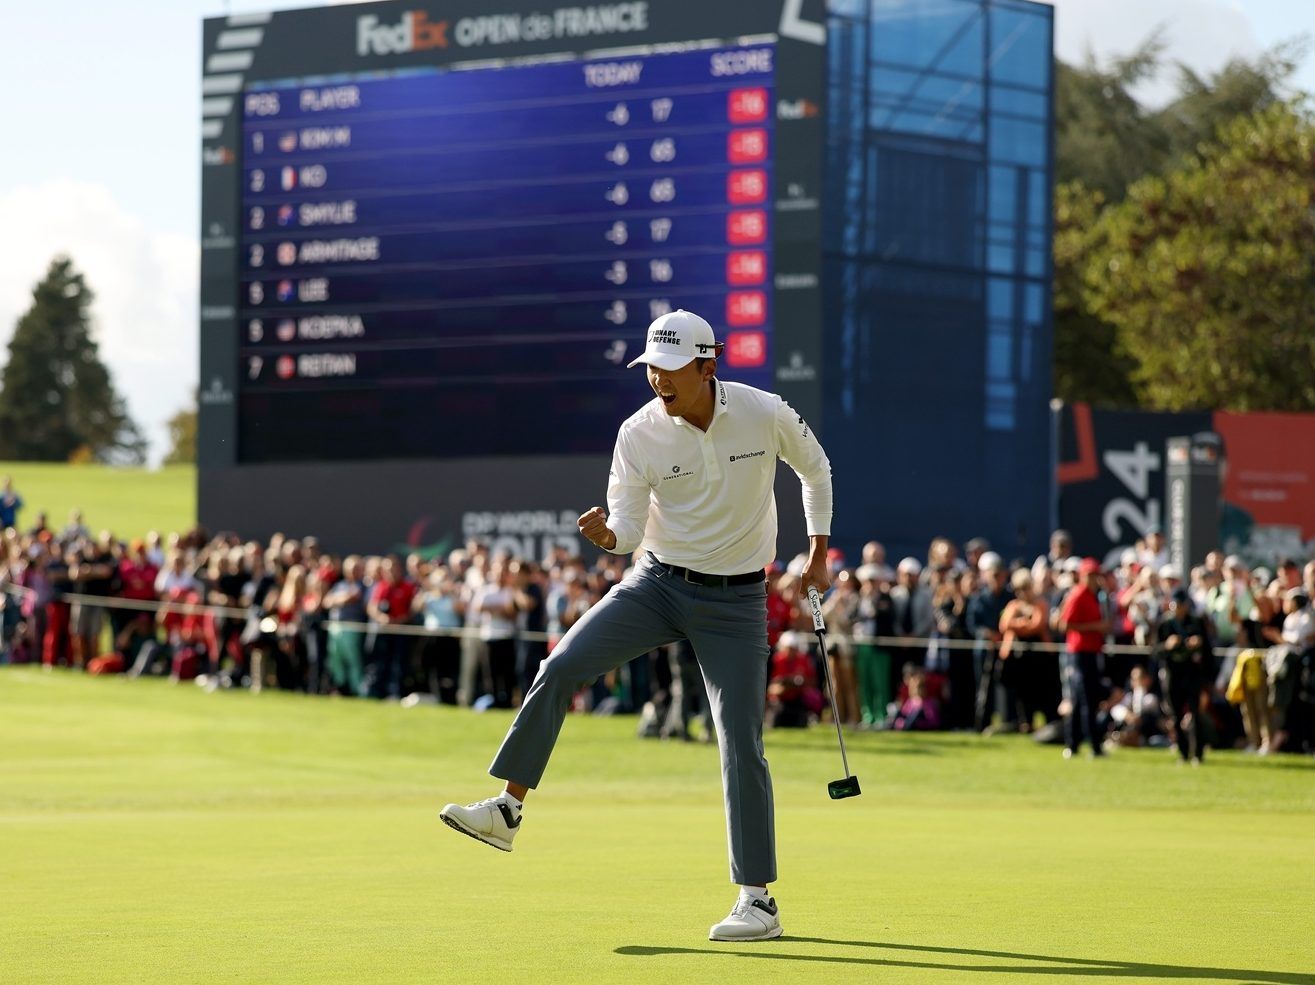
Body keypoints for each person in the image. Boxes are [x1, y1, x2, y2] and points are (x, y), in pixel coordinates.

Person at [440, 309, 832, 943]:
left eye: (671, 368)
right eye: (651, 367)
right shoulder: (638, 432)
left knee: (739, 741)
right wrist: (607, 536)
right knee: (561, 665)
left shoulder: (763, 411)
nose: (658, 379)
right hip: (656, 584)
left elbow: (815, 468)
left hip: (736, 600)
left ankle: (758, 901)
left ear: (708, 365)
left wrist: (817, 552)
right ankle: (506, 811)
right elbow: (625, 528)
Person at [1057, 558, 1110, 759]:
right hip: (1080, 653)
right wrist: (1095, 627)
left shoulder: (1094, 596)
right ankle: (1093, 745)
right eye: (1090, 575)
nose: (1094, 579)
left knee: (1082, 700)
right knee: (1087, 699)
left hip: (1091, 652)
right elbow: (1064, 625)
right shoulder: (1078, 595)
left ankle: (1074, 743)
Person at [1153, 587, 1213, 764]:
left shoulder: (1196, 622)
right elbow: (1155, 651)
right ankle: (1183, 751)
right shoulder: (1165, 624)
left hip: (1192, 673)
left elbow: (1208, 651)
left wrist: (1198, 645)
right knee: (1175, 715)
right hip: (1173, 674)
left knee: (1195, 713)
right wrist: (1167, 646)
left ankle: (1198, 753)